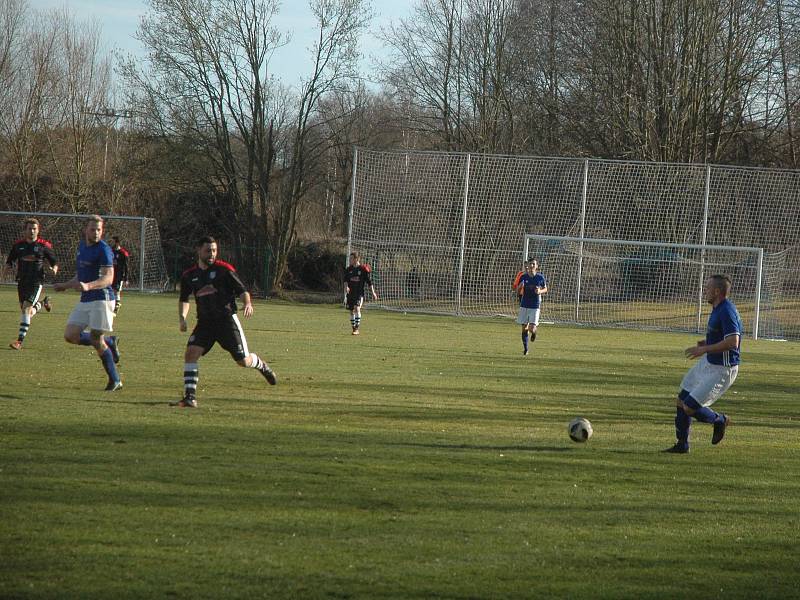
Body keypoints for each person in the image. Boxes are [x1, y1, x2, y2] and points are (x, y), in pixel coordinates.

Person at [175, 236, 276, 408]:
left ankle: (261, 365)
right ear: (198, 250)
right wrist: (182, 318)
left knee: (242, 361)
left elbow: (242, 290)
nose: (212, 254)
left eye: (214, 250)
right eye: (208, 250)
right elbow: (184, 299)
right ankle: (190, 397)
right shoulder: (189, 275)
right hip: (205, 324)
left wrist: (248, 303)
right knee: (190, 353)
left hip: (227, 321)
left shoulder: (224, 270)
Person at [664, 274, 741, 454]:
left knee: (690, 407)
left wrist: (705, 350)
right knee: (681, 400)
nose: (704, 291)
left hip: (722, 369)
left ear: (717, 291)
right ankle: (682, 445)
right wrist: (705, 344)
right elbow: (722, 337)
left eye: (707, 288)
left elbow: (733, 342)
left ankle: (720, 420)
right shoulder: (717, 308)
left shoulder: (727, 311)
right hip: (708, 363)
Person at [53, 215, 121, 391]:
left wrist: (88, 286)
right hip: (86, 299)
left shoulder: (104, 250)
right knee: (70, 335)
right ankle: (110, 342)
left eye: (99, 229)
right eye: (93, 229)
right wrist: (65, 286)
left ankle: (115, 380)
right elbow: (80, 277)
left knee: (96, 339)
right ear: (86, 230)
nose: (96, 232)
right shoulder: (82, 247)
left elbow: (108, 277)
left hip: (102, 299)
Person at [4, 217, 59, 349]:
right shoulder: (18, 246)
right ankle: (43, 302)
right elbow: (9, 262)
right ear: (25, 230)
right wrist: (5, 271)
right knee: (27, 312)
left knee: (26, 309)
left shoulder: (43, 246)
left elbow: (54, 262)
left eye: (34, 229)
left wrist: (54, 270)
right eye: (30, 229)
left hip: (36, 282)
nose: (32, 231)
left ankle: (19, 342)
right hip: (22, 281)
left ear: (38, 230)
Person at [515, 259, 547, 356]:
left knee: (531, 328)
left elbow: (545, 289)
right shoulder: (523, 277)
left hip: (535, 305)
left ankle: (534, 333)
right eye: (530, 264)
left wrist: (540, 291)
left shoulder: (540, 277)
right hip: (524, 305)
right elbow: (517, 290)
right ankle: (526, 349)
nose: (532, 265)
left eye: (534, 264)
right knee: (524, 328)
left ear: (536, 266)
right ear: (528, 266)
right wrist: (520, 287)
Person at [343, 251, 377, 335]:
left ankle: (357, 328)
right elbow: (345, 281)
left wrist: (373, 292)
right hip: (350, 294)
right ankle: (354, 328)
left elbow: (369, 282)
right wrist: (346, 287)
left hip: (359, 293)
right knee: (351, 311)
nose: (350, 260)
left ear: (356, 259)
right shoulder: (349, 269)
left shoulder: (362, 269)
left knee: (357, 308)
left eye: (351, 258)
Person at [110, 236, 129, 314]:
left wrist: (126, 279)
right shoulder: (110, 251)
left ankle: (116, 306)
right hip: (110, 274)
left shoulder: (123, 253)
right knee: (110, 290)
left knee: (116, 291)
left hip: (119, 275)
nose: (111, 243)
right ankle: (114, 305)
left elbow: (126, 266)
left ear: (117, 242)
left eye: (113, 241)